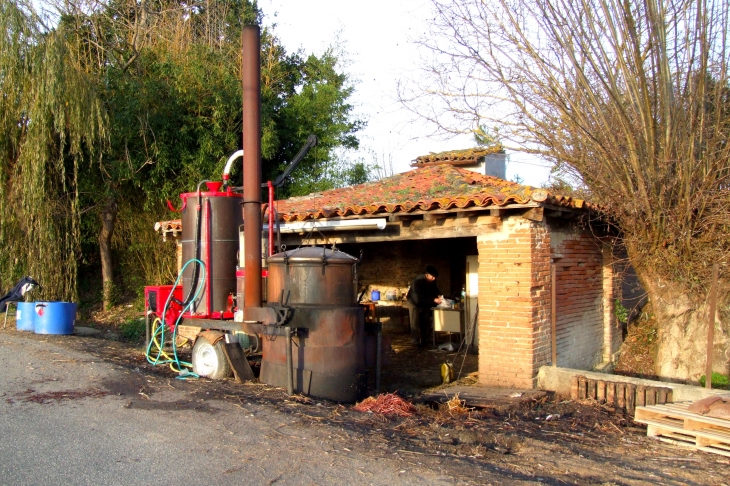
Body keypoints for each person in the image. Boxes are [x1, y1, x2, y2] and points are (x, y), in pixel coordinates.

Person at [406, 265, 443, 347]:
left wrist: (439, 295)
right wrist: (433, 300)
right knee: (414, 322)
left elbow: (435, 289)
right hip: (414, 302)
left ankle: (425, 340)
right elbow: (421, 295)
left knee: (425, 321)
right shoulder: (419, 280)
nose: (434, 279)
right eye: (432, 277)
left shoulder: (432, 281)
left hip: (425, 303)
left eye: (435, 277)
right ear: (427, 274)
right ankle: (415, 341)